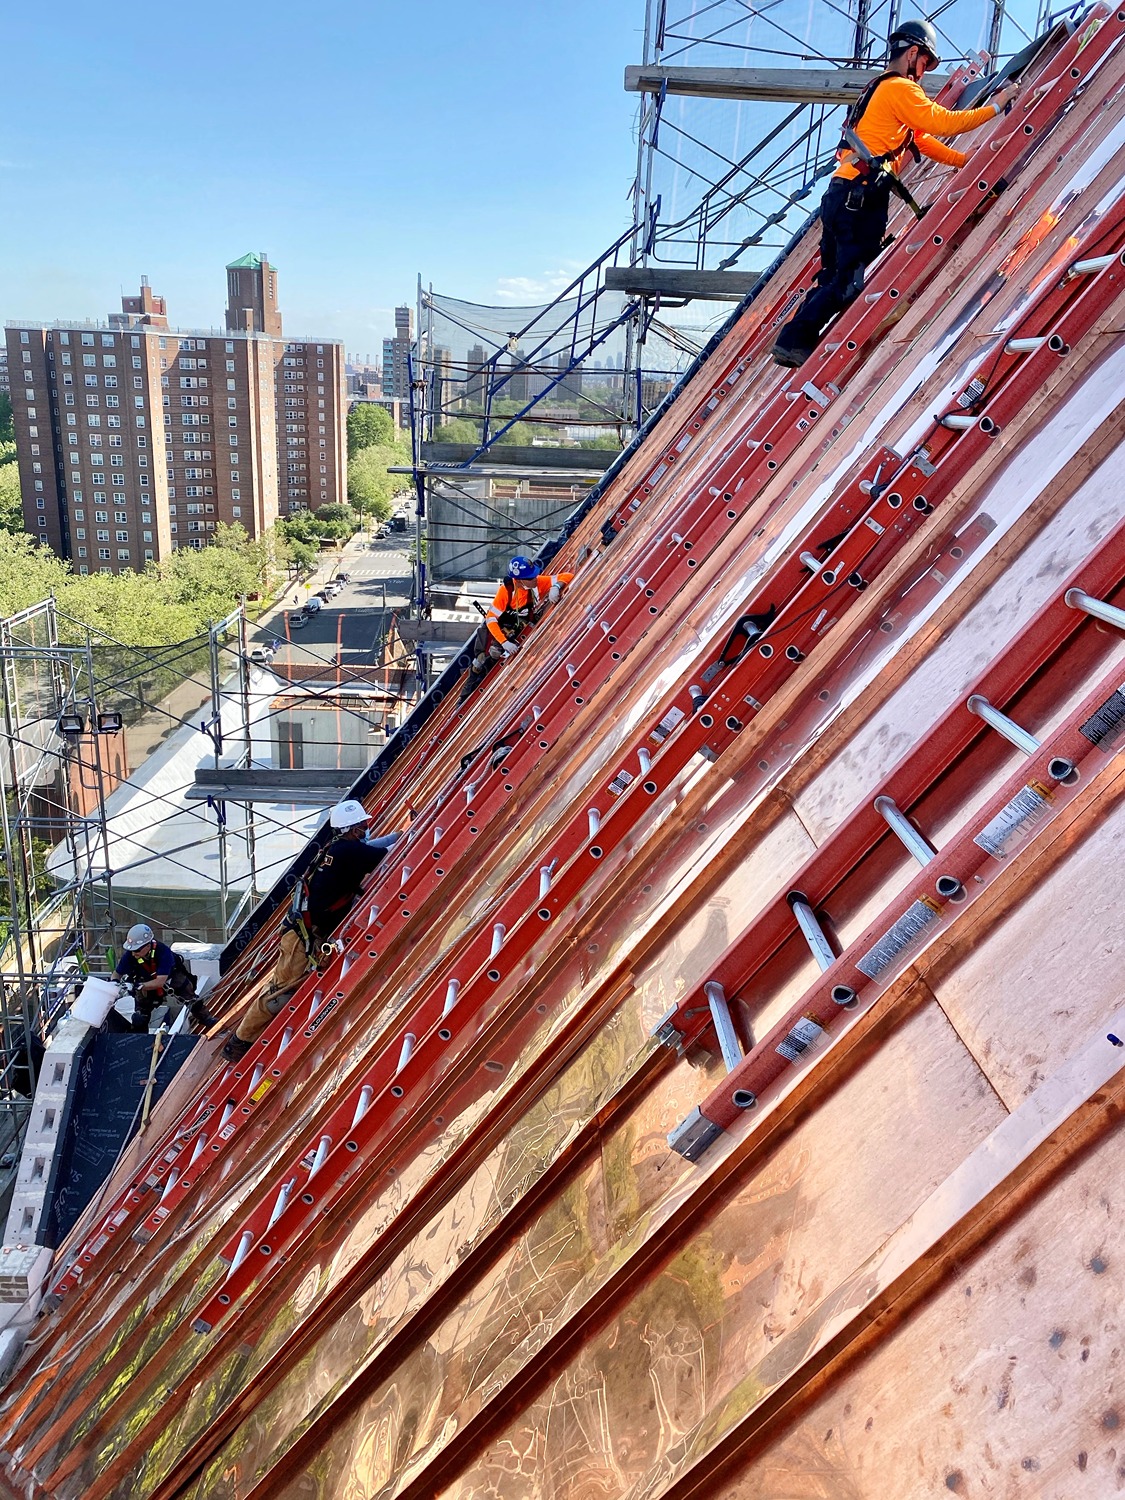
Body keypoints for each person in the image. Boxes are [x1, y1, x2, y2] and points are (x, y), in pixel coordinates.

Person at [771, 20, 1021, 368]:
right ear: (913, 53)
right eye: (925, 64)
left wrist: (965, 162)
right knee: (847, 280)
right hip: (860, 196)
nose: (924, 72)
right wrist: (997, 105)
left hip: (841, 194)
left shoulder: (879, 90)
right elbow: (944, 123)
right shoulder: (901, 89)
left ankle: (794, 341)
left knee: (832, 276)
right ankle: (795, 343)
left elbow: (921, 139)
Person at [223, 800, 402, 1060]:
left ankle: (246, 1038)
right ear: (352, 829)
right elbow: (385, 853)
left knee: (282, 989)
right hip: (300, 937)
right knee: (278, 992)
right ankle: (238, 1043)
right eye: (363, 825)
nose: (366, 829)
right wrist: (412, 833)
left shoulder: (339, 849)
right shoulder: (348, 853)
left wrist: (400, 834)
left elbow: (373, 847)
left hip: (303, 932)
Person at [458, 556, 574, 702]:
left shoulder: (536, 584)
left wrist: (557, 587)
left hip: (514, 629)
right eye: (530, 577)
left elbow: (567, 576)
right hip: (496, 630)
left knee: (496, 658)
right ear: (519, 581)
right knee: (482, 660)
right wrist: (504, 642)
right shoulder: (506, 591)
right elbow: (491, 620)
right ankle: (465, 697)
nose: (535, 578)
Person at [115, 923, 216, 1033]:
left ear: (147, 946)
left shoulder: (163, 952)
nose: (134, 953)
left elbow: (160, 981)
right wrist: (114, 983)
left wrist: (137, 986)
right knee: (140, 1016)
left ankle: (208, 1020)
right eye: (132, 950)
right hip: (146, 982)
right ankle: (141, 1039)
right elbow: (117, 973)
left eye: (137, 950)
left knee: (191, 998)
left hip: (171, 978)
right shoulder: (130, 955)